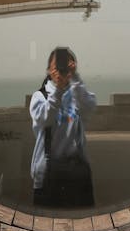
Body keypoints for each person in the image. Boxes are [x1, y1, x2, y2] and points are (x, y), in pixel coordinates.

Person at [29, 47, 97, 208]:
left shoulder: (77, 94)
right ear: (49, 70)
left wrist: (75, 78)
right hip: (47, 173)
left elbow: (90, 106)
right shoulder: (40, 97)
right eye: (57, 66)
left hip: (77, 171)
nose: (61, 69)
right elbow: (46, 119)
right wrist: (58, 90)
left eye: (64, 66)